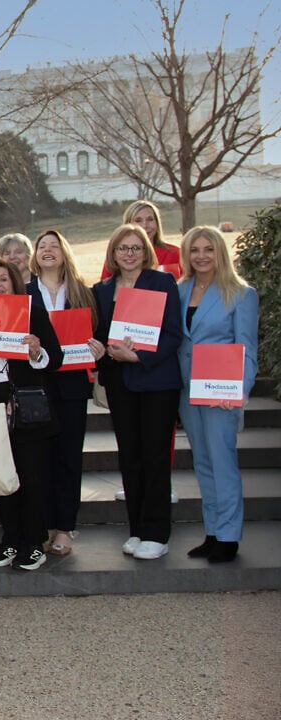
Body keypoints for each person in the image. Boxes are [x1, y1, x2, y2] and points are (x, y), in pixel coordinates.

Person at [90, 223, 182, 561]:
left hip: (157, 380)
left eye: (136, 248)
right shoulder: (100, 289)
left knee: (155, 456)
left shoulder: (162, 282)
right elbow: (98, 333)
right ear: (112, 253)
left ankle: (157, 533)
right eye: (122, 248)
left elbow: (172, 334)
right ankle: (138, 529)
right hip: (120, 382)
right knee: (130, 457)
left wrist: (139, 356)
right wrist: (99, 350)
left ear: (146, 252)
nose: (129, 254)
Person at [0, 259, 63, 572]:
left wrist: (36, 352)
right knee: (1, 476)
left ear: (15, 283)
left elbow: (54, 358)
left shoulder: (32, 312)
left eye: (3, 280)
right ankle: (9, 540)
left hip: (26, 403)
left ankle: (33, 543)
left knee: (31, 477)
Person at [177, 225, 258, 563]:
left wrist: (238, 390)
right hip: (186, 390)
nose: (201, 256)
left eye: (208, 249)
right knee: (203, 462)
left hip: (220, 392)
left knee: (222, 463)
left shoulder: (240, 293)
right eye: (195, 250)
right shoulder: (180, 290)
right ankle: (212, 532)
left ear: (220, 252)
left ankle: (229, 535)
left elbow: (248, 349)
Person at [28, 229, 96, 556]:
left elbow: (96, 332)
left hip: (71, 386)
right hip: (36, 388)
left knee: (68, 458)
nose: (49, 250)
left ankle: (66, 526)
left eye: (55, 245)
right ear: (35, 255)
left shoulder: (83, 292)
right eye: (43, 246)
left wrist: (97, 349)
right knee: (40, 461)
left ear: (65, 252)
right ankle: (44, 525)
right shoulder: (25, 293)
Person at [101, 200, 182, 279]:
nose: (145, 225)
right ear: (128, 225)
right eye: (138, 220)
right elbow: (105, 289)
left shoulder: (175, 254)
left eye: (150, 219)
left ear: (157, 223)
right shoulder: (118, 255)